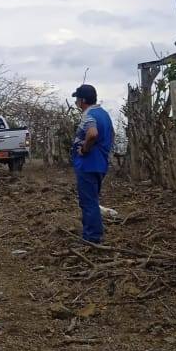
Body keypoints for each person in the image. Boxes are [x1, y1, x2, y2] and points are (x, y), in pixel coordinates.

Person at [71, 84, 115, 244]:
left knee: (88, 202)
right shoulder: (104, 114)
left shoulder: (88, 115)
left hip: (88, 165)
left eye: (77, 99)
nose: (76, 102)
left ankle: (92, 238)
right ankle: (93, 234)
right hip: (100, 163)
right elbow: (112, 135)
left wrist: (84, 149)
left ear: (82, 100)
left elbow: (92, 133)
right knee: (92, 200)